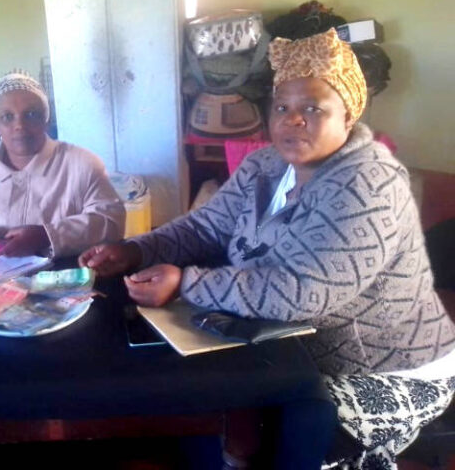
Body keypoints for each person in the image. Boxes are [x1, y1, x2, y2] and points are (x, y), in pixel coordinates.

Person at [79, 29, 455, 469]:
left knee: (289, 424)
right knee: (196, 402)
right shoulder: (266, 164)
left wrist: (187, 282)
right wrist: (137, 249)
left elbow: (305, 293)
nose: (293, 120)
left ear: (348, 116)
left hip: (386, 367)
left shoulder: (369, 184)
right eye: (282, 107)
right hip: (291, 346)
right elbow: (206, 227)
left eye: (313, 108)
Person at [0, 70, 125, 259]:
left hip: (65, 279)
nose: (19, 125)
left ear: (46, 120)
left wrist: (47, 236)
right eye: (7, 116)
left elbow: (111, 223)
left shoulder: (82, 165)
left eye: (31, 114)